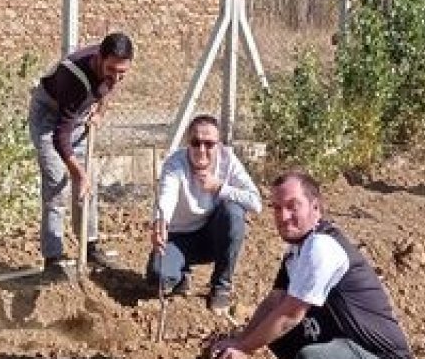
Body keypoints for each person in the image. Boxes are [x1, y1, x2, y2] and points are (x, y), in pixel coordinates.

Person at [211, 171, 414, 359]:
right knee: (277, 334)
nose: (283, 216)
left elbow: (291, 313)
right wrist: (241, 340)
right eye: (277, 208)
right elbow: (274, 301)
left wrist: (245, 349)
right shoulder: (298, 249)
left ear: (316, 208)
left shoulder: (322, 248)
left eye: (293, 206)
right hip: (354, 351)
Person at [28, 32, 134, 277]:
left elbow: (108, 88)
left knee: (89, 184)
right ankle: (53, 257)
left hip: (75, 117)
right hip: (49, 120)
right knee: (57, 184)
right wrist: (78, 173)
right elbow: (59, 136)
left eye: (122, 72)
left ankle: (89, 244)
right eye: (111, 70)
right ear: (99, 59)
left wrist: (99, 113)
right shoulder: (72, 77)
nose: (116, 77)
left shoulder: (112, 66)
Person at [147, 114, 262, 312]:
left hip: (213, 236)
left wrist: (220, 187)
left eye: (209, 144)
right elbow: (167, 195)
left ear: (218, 145)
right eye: (196, 142)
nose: (202, 150)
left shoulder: (228, 161)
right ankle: (181, 276)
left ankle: (221, 286)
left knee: (233, 211)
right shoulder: (175, 164)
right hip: (178, 238)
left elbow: (256, 202)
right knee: (158, 277)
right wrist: (160, 221)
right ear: (187, 143)